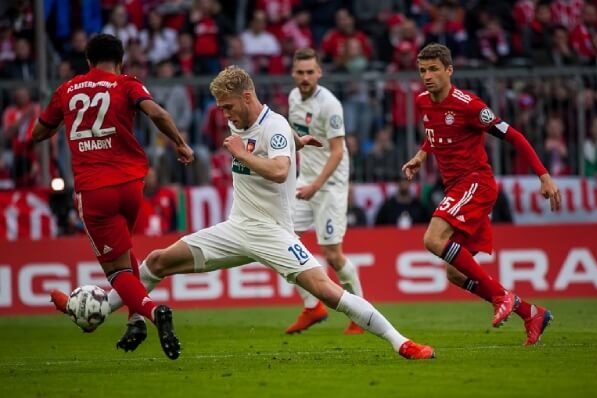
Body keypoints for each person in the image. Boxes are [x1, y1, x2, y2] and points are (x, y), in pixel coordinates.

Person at [106, 65, 435, 360]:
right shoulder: (255, 123)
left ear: (247, 96)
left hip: (273, 231)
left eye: (228, 107)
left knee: (326, 290)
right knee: (158, 260)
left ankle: (401, 342)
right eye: (221, 108)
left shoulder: (273, 126)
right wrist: (297, 141)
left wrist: (246, 152)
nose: (225, 115)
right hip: (237, 228)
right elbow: (273, 139)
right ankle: (102, 310)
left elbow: (279, 170)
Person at [33, 34, 195, 360]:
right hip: (131, 186)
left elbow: (38, 133)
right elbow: (159, 114)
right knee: (125, 250)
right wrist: (180, 143)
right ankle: (135, 320)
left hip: (95, 190)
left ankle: (152, 310)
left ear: (88, 61)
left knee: (117, 272)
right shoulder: (127, 83)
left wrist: (57, 125)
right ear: (120, 61)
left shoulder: (66, 90)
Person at [402, 43, 561, 346]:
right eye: (423, 70)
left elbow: (514, 135)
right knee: (454, 273)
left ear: (449, 70)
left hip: (476, 182)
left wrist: (544, 175)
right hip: (457, 187)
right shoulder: (423, 102)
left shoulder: (470, 105)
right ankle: (531, 313)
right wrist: (421, 156)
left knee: (433, 239)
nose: (427, 76)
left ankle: (503, 296)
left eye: (434, 69)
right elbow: (433, 133)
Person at [285, 48, 366, 335]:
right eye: (301, 72)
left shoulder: (330, 105)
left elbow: (337, 151)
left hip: (328, 185)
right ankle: (312, 306)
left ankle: (360, 313)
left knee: (332, 254)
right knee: (279, 241)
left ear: (319, 73)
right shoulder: (294, 98)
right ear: (293, 74)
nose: (305, 77)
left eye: (310, 72)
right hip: (304, 180)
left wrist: (315, 185)